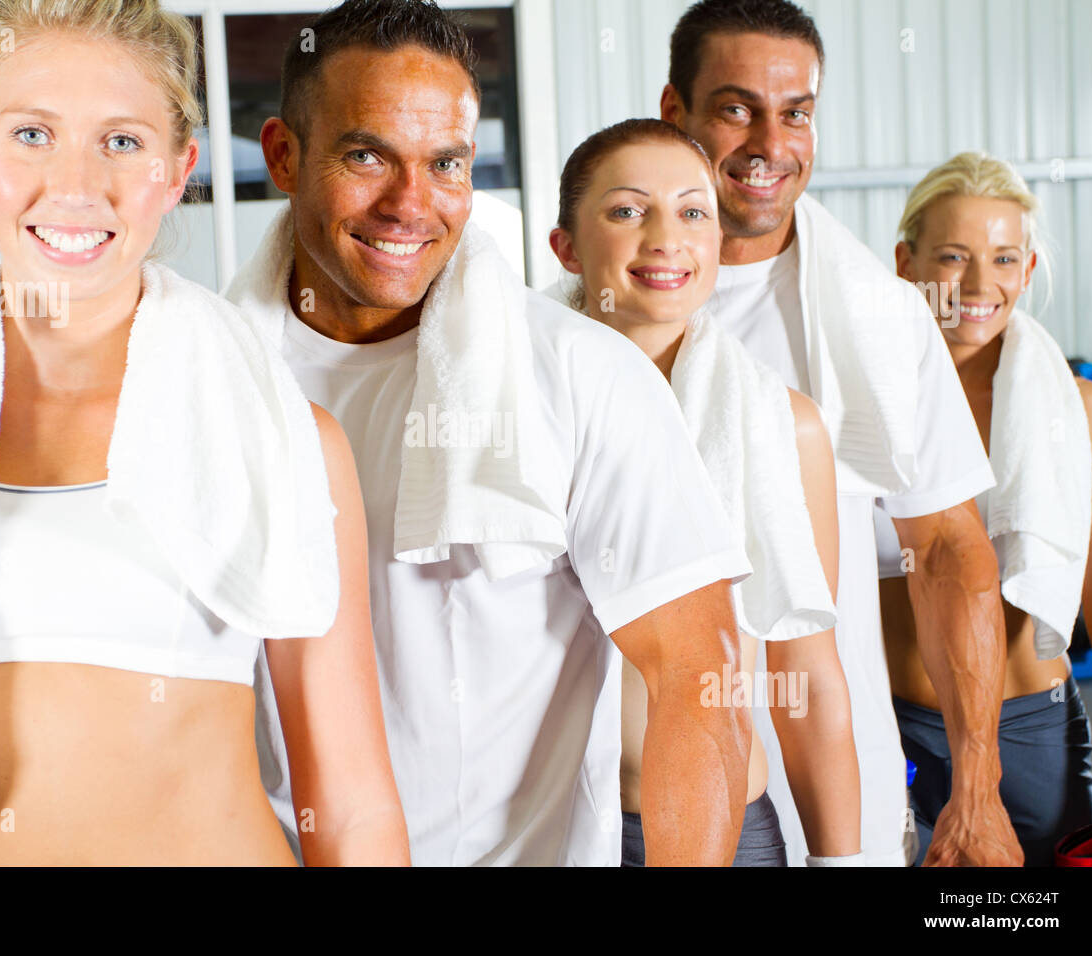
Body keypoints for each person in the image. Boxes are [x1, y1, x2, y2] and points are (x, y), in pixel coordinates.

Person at [0, 0, 407, 867]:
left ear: (177, 170)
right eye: (31, 135)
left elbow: (351, 808)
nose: (78, 185)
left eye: (122, 141)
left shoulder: (281, 440)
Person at [224, 0, 753, 866]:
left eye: (446, 164)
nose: (409, 205)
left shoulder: (581, 377)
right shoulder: (201, 376)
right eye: (366, 156)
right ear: (285, 154)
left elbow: (699, 681)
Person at [661, 0, 1017, 866]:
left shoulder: (880, 318)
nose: (770, 145)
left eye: (797, 113)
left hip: (836, 780)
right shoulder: (606, 310)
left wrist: (975, 785)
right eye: (737, 108)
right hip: (646, 790)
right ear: (676, 112)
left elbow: (945, 550)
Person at [548, 118, 862, 866]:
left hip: (730, 829)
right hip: (552, 831)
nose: (666, 238)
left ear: (719, 242)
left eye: (694, 212)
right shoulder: (513, 413)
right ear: (565, 247)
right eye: (627, 211)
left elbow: (808, 676)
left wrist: (842, 863)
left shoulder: (782, 425)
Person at [885, 151, 1092, 865]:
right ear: (904, 261)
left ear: (1028, 272)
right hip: (894, 726)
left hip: (1031, 730)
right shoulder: (853, 412)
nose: (980, 285)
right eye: (952, 256)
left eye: (1005, 258)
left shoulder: (1078, 413)